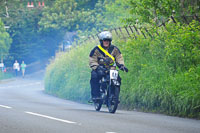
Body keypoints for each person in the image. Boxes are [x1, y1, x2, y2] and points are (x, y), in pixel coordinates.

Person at [89, 31, 128, 99]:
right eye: (105, 40)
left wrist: (121, 65)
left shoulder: (115, 49)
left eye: (108, 40)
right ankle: (96, 95)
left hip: (111, 69)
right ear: (101, 41)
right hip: (99, 69)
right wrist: (97, 68)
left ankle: (114, 96)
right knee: (94, 76)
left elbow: (119, 58)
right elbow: (92, 60)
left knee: (118, 79)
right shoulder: (96, 50)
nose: (106, 42)